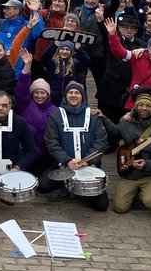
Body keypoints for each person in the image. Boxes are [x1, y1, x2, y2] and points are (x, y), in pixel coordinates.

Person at [41, 81, 109, 211]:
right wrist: (67, 161)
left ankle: (82, 189)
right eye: (70, 93)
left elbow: (101, 142)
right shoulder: (56, 117)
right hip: (64, 166)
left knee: (102, 206)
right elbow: (52, 143)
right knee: (43, 186)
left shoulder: (93, 117)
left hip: (88, 166)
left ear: (82, 96)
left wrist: (86, 160)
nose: (73, 95)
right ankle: (65, 184)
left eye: (77, 93)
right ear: (65, 96)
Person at [110, 90, 151, 215]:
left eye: (148, 106)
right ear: (135, 106)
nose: (144, 108)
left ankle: (150, 190)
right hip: (130, 172)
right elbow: (114, 133)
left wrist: (147, 163)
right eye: (141, 105)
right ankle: (135, 191)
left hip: (149, 174)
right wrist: (102, 117)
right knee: (119, 208)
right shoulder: (125, 121)